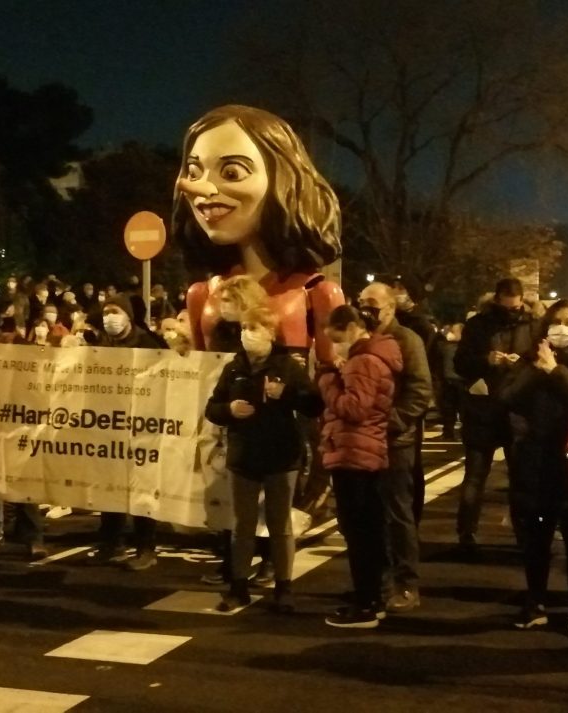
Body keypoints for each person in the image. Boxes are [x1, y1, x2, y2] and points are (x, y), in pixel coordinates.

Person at [175, 105, 345, 367]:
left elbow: (330, 374)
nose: (201, 189)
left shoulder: (317, 293)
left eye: (231, 173)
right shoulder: (201, 294)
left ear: (283, 178)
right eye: (194, 172)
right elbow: (199, 374)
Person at [205, 307, 323, 612]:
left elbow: (314, 405)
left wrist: (286, 393)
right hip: (244, 456)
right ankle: (238, 586)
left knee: (279, 523)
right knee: (242, 524)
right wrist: (229, 410)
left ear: (271, 332)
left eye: (255, 328)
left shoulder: (288, 366)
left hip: (281, 455)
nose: (248, 334)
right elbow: (212, 407)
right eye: (245, 327)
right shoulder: (234, 367)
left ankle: (284, 587)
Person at [500, 299, 568, 634]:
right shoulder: (531, 359)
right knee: (536, 538)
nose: (562, 328)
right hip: (536, 460)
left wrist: (557, 373)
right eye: (556, 321)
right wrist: (537, 369)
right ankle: (535, 602)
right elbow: (508, 397)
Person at [319, 304, 403, 628]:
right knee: (367, 530)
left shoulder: (364, 360)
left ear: (352, 329)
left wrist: (328, 379)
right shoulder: (376, 356)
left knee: (359, 533)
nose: (335, 345)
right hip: (365, 451)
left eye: (336, 337)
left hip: (355, 452)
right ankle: (370, 598)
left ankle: (366, 603)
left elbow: (354, 409)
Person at [359, 282, 433, 614]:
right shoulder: (362, 339)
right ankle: (379, 580)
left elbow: (420, 390)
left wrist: (391, 422)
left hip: (395, 441)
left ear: (390, 307)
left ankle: (407, 583)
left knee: (398, 514)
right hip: (366, 440)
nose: (365, 309)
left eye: (372, 303)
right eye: (361, 302)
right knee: (369, 515)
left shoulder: (407, 340)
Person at [454, 277, 541, 554]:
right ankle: (466, 532)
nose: (511, 313)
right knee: (476, 475)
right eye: (506, 307)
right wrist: (485, 361)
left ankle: (523, 531)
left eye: (515, 308)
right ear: (496, 299)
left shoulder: (532, 326)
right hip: (483, 408)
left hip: (517, 409)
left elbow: (543, 361)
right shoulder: (478, 325)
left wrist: (523, 362)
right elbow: (460, 362)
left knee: (521, 478)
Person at [94, 294, 166, 570]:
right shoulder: (102, 344)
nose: (109, 318)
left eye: (114, 312)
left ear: (127, 315)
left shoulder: (150, 345)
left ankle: (146, 547)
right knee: (109, 486)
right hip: (110, 424)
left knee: (141, 488)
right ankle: (111, 543)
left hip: (142, 426)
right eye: (105, 312)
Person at [436, 323, 464, 440]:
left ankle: (459, 432)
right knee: (448, 410)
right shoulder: (445, 346)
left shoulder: (463, 347)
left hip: (460, 381)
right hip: (448, 381)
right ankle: (448, 432)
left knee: (461, 409)